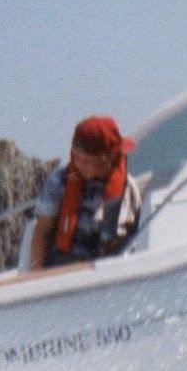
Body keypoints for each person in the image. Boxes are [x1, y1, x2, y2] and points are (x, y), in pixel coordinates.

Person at [27, 114, 143, 271]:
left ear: (107, 158)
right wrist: (35, 277)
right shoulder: (60, 180)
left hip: (104, 269)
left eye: (87, 161)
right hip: (60, 266)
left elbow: (125, 241)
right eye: (76, 157)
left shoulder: (127, 189)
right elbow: (42, 232)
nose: (80, 164)